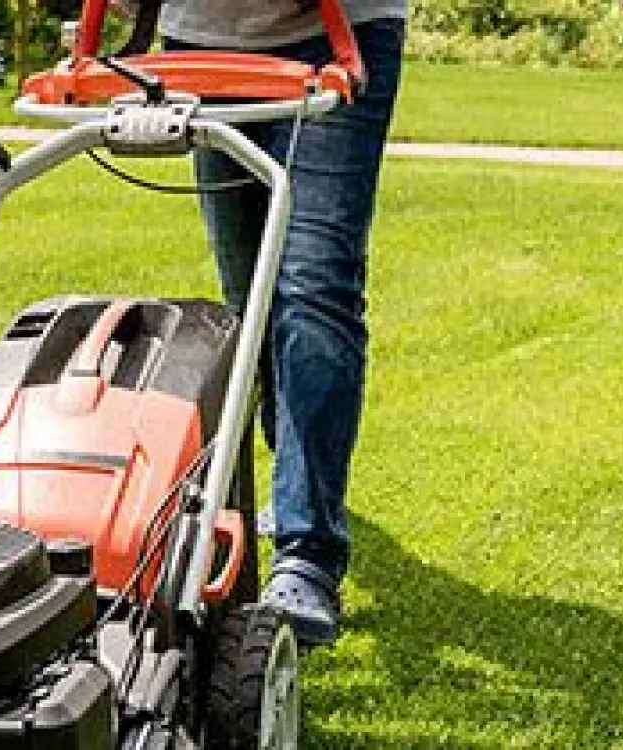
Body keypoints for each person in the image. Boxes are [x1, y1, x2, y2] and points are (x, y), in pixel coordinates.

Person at [159, 0, 407, 647]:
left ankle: (307, 552)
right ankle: (295, 480)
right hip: (203, 41)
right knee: (250, 300)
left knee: (313, 288)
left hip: (336, 34)